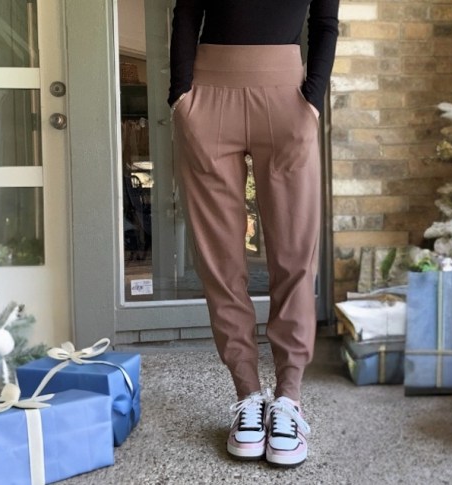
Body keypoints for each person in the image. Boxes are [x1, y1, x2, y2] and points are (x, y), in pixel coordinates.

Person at [168, 0, 339, 467]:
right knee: (221, 262)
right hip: (208, 93)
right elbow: (187, 11)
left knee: (294, 256)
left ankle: (288, 399)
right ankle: (247, 395)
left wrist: (312, 101)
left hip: (288, 99)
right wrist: (180, 94)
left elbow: (325, 23)